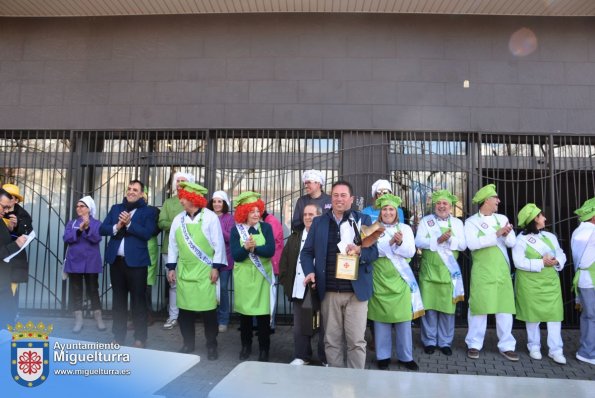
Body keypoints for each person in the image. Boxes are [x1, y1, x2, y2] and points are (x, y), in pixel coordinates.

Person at [301, 180, 379, 369]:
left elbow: (374, 253)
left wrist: (360, 251)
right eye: (335, 195)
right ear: (331, 198)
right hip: (328, 292)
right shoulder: (319, 222)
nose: (339, 199)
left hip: (356, 293)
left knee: (356, 342)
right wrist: (310, 272)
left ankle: (355, 385)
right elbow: (306, 252)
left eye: (343, 195)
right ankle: (336, 386)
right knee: (331, 341)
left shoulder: (364, 221)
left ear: (351, 199)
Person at [167, 182, 227, 360]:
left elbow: (218, 244)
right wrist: (171, 267)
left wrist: (216, 267)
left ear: (193, 199)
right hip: (185, 272)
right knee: (185, 312)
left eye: (183, 198)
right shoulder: (178, 219)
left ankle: (211, 345)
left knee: (209, 312)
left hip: (205, 272)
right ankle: (188, 343)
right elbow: (172, 245)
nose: (181, 201)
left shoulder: (210, 217)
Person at [100, 179, 158, 348]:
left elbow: (147, 233)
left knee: (138, 302)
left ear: (141, 194)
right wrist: (118, 225)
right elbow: (103, 229)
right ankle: (118, 337)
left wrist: (130, 224)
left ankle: (140, 338)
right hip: (116, 263)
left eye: (135, 189)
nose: (131, 191)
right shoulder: (116, 208)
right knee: (118, 302)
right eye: (129, 188)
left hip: (137, 264)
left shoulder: (148, 212)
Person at [464, 184, 518, 361]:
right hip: (482, 270)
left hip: (501, 270)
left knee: (504, 309)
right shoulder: (471, 221)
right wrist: (496, 234)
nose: (498, 201)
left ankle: (507, 346)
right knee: (479, 307)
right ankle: (473, 344)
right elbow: (472, 244)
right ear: (486, 200)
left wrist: (506, 234)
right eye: (496, 197)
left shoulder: (502, 218)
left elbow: (511, 243)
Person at [368, 194, 421, 371]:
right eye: (385, 209)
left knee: (403, 320)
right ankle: (383, 356)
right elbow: (370, 249)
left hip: (401, 280)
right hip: (380, 279)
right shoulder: (373, 228)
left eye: (391, 209)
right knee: (381, 320)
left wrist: (399, 244)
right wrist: (391, 244)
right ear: (380, 212)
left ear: (396, 212)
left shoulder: (405, 228)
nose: (388, 212)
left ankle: (406, 357)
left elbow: (411, 252)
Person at [513, 203, 567, 365]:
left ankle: (556, 350)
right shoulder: (520, 239)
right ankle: (534, 346)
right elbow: (518, 262)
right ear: (534, 219)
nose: (545, 218)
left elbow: (561, 253)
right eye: (541, 215)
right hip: (530, 283)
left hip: (550, 282)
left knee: (554, 316)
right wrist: (541, 263)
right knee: (532, 316)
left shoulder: (550, 237)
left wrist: (557, 260)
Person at [415, 190, 466, 356]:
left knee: (447, 310)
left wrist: (449, 239)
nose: (441, 206)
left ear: (450, 206)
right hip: (429, 272)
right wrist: (437, 240)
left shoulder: (458, 223)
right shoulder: (426, 221)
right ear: (434, 205)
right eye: (438, 203)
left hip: (449, 273)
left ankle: (445, 342)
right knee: (429, 308)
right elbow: (418, 241)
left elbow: (464, 245)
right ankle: (429, 341)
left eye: (445, 203)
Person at [230, 191, 276, 362]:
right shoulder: (236, 231)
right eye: (252, 211)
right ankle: (246, 346)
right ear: (245, 213)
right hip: (244, 277)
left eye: (258, 210)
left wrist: (254, 248)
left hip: (262, 277)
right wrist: (245, 248)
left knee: (263, 316)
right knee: (246, 316)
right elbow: (236, 255)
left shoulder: (267, 228)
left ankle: (264, 349)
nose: (257, 214)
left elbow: (270, 251)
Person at [279, 204, 326, 366]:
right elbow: (284, 261)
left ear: (319, 216)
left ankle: (324, 358)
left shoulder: (326, 235)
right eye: (305, 214)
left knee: (324, 325)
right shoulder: (294, 237)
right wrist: (286, 282)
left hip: (320, 288)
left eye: (311, 214)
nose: (307, 217)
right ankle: (302, 356)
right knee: (300, 325)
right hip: (299, 287)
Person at [63, 196, 105, 333]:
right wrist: (79, 230)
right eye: (77, 206)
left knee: (93, 290)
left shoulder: (97, 223)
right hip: (75, 261)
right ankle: (78, 320)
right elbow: (67, 238)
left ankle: (98, 318)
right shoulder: (72, 222)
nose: (78, 208)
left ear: (89, 208)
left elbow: (96, 238)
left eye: (82, 206)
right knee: (76, 290)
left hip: (91, 262)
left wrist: (87, 229)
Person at [158, 172, 194, 330]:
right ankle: (173, 316)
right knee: (173, 284)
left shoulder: (194, 202)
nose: (179, 183)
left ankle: (188, 315)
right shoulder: (168, 202)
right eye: (177, 180)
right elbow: (161, 223)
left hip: (191, 250)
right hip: (169, 248)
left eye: (183, 181)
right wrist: (177, 222)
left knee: (190, 282)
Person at [0, 188, 28, 329]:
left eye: (8, 207)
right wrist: (16, 244)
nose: (6, 211)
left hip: (4, 280)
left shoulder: (1, 220)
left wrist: (11, 230)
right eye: (4, 207)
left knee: (8, 322)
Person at [207, 190, 234, 333]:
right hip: (208, 260)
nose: (217, 204)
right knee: (211, 289)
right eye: (214, 201)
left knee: (223, 289)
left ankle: (223, 319)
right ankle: (212, 319)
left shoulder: (229, 218)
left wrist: (217, 228)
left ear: (224, 204)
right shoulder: (206, 216)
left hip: (226, 260)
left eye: (220, 201)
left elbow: (231, 238)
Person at [571, 197, 595, 365]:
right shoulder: (588, 232)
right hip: (589, 280)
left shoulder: (581, 231)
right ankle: (587, 352)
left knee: (589, 316)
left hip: (587, 280)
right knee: (590, 316)